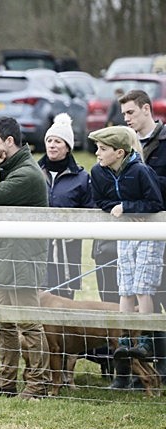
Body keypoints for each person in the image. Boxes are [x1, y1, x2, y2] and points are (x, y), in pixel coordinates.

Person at [0, 116, 50, 399]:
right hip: (6, 255)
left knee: (28, 323)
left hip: (23, 258)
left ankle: (37, 384)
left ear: (9, 141)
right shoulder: (11, 168)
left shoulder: (27, 174)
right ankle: (6, 379)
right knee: (3, 321)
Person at [88, 126, 164, 388]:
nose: (97, 153)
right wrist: (116, 209)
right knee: (125, 287)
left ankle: (143, 339)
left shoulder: (141, 171)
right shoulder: (98, 172)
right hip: (124, 233)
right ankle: (124, 338)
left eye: (103, 149)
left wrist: (129, 207)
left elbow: (155, 203)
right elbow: (99, 200)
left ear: (119, 152)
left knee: (143, 288)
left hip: (147, 234)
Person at [120, 88, 166, 380]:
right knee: (133, 293)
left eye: (131, 112)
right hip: (133, 234)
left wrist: (143, 196)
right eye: (124, 114)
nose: (127, 119)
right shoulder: (124, 143)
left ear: (147, 109)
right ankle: (136, 372)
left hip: (160, 229)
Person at [37, 113, 94, 299]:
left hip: (67, 248)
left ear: (68, 147)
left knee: (64, 295)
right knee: (39, 293)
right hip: (38, 243)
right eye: (49, 140)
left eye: (58, 141)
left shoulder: (81, 178)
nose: (52, 145)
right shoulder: (33, 173)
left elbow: (89, 210)